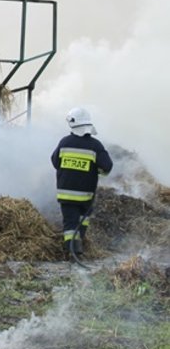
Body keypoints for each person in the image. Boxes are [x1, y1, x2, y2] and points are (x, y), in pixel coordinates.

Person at [50, 107, 113, 260]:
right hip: (86, 194)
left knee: (70, 224)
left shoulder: (64, 142)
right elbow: (107, 167)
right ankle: (78, 246)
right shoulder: (95, 145)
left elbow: (55, 161)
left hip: (66, 194)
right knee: (82, 220)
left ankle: (73, 251)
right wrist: (96, 171)